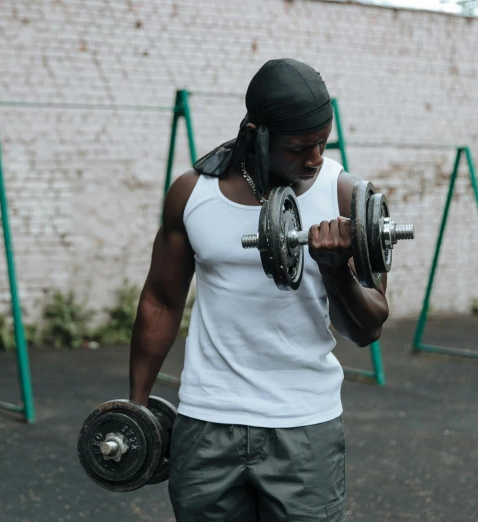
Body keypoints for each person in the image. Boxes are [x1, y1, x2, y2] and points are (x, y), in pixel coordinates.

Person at [129, 58, 389, 522]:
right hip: (207, 419)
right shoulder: (193, 194)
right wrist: (137, 405)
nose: (314, 159)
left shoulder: (345, 197)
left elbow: (368, 327)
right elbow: (161, 300)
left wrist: (334, 270)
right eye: (298, 148)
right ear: (257, 134)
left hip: (303, 426)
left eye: (321, 144)